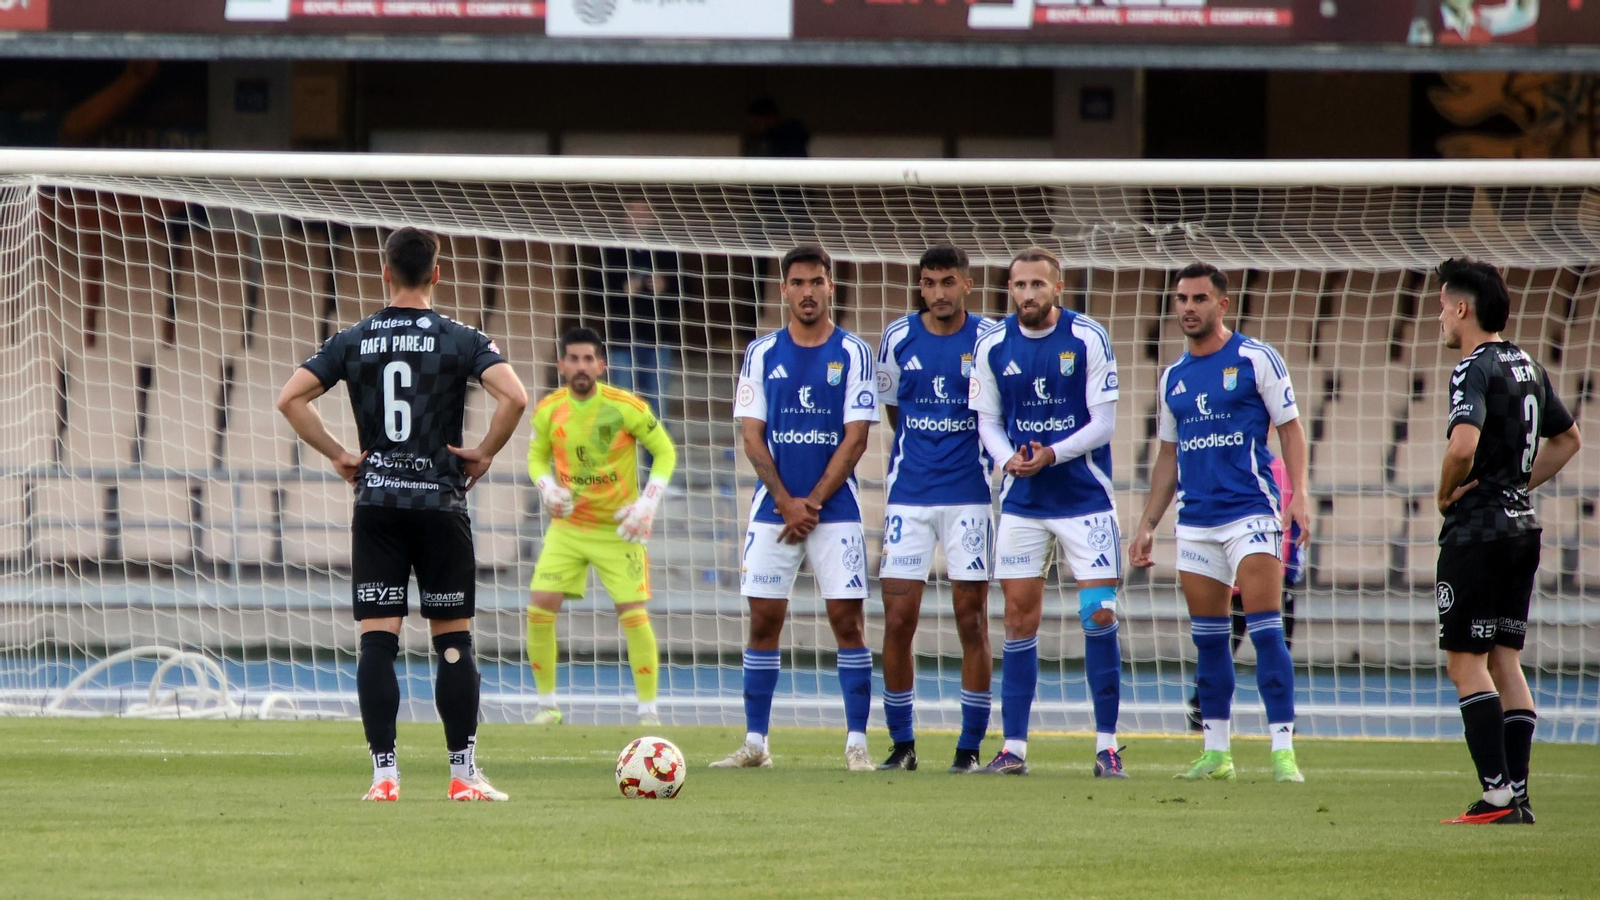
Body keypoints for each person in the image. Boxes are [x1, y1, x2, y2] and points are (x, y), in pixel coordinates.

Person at [276, 227, 528, 802]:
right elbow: (514, 397)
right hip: (439, 504)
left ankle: (384, 777)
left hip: (379, 505)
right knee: (454, 641)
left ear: (384, 272)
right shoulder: (461, 337)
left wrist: (340, 454)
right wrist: (484, 453)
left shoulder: (353, 338)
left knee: (377, 644)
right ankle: (463, 776)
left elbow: (289, 398)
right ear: (437, 274)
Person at [1129, 262, 1310, 784]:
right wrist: (1148, 523)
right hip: (1197, 521)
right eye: (1182, 299)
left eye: (1199, 298)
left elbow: (1291, 431)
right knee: (1208, 638)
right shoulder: (1173, 378)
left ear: (1222, 304)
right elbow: (1168, 457)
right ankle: (1217, 753)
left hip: (1251, 512)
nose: (1188, 307)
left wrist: (1300, 497)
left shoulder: (1256, 358)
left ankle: (1282, 752)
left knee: (1266, 630)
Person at [711, 245, 879, 772]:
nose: (808, 291)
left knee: (847, 622)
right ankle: (756, 742)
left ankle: (856, 742)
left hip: (837, 509)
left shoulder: (853, 353)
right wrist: (786, 502)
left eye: (818, 281)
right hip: (773, 510)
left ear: (831, 288)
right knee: (763, 620)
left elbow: (856, 440)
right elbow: (752, 437)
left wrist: (813, 502)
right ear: (783, 289)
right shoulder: (761, 353)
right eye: (798, 282)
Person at [968, 247, 1126, 778]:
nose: (1028, 294)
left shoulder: (1087, 338)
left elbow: (1104, 423)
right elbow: (987, 420)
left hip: (1084, 498)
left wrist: (1052, 454)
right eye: (1019, 285)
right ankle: (1014, 749)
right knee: (1016, 621)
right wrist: (1006, 458)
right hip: (1024, 503)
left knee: (1099, 613)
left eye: (1038, 285)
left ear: (1057, 288)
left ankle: (1107, 746)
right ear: (1008, 290)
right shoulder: (992, 345)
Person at [1432, 258, 1579, 825]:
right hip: (1523, 528)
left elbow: (1462, 447)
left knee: (1465, 664)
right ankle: (1518, 797)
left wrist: (1447, 494)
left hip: (1478, 533)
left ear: (1463, 308)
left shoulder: (1473, 367)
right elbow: (1569, 440)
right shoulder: (1528, 364)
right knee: (1506, 661)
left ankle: (1495, 795)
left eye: (1444, 306)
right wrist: (1516, 484)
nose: (1440, 317)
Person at [874, 245, 1001, 773]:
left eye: (949, 282)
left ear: (967, 285)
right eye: (929, 283)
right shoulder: (897, 337)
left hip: (970, 496)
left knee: (971, 622)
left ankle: (968, 750)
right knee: (898, 621)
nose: (939, 293)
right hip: (910, 496)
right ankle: (902, 746)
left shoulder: (990, 338)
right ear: (920, 287)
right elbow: (892, 407)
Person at [526, 327, 678, 728]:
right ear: (561, 366)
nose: (581, 366)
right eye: (573, 359)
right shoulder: (548, 409)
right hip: (568, 527)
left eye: (588, 359)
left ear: (601, 365)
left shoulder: (625, 406)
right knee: (539, 606)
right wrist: (545, 487)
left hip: (618, 528)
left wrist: (648, 501)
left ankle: (648, 712)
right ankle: (548, 707)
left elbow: (664, 452)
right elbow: (536, 459)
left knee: (633, 613)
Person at [1185, 454, 1305, 732]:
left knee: (1277, 647)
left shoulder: (1283, 470)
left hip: (1275, 575)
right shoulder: (1230, 465)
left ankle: (1283, 715)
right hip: (1239, 578)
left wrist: (1291, 569)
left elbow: (1296, 520)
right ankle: (1202, 706)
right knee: (1221, 644)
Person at [581, 202, 681, 416]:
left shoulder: (667, 251)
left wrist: (666, 286)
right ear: (625, 216)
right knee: (622, 406)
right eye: (633, 211)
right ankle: (624, 451)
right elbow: (592, 292)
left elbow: (688, 293)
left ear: (655, 217)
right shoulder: (611, 251)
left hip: (658, 340)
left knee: (657, 407)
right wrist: (621, 288)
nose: (639, 216)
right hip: (621, 340)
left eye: (645, 211)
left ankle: (656, 451)